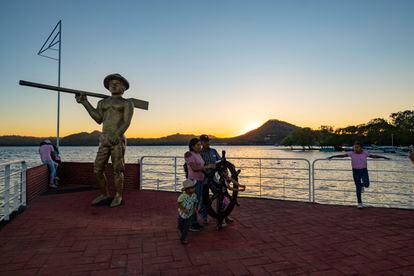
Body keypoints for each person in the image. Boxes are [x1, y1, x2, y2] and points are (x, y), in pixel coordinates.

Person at [76, 73, 134, 207]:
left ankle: (118, 195)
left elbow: (126, 122)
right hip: (104, 139)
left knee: (117, 169)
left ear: (124, 88)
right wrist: (85, 102)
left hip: (117, 140)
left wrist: (117, 134)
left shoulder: (127, 103)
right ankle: (105, 193)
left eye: (117, 83)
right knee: (97, 169)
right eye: (111, 83)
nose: (113, 84)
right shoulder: (102, 102)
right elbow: (98, 119)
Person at [328, 141, 390, 209]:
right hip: (355, 171)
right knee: (357, 188)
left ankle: (362, 185)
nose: (355, 149)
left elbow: (373, 156)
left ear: (361, 148)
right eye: (354, 147)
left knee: (366, 184)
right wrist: (333, 156)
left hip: (363, 170)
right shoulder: (351, 153)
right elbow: (342, 156)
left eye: (357, 147)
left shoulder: (365, 152)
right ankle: (359, 203)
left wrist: (383, 157)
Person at [184, 138, 216, 231]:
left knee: (199, 201)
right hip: (194, 181)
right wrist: (208, 166)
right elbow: (194, 168)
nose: (200, 146)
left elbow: (202, 166)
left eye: (200, 145)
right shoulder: (188, 154)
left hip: (201, 180)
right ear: (192, 146)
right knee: (193, 202)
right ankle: (192, 224)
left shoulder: (198, 154)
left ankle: (198, 220)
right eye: (198, 145)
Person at [199, 134, 221, 224]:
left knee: (220, 194)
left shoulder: (214, 151)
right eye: (205, 141)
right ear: (201, 143)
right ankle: (204, 218)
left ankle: (223, 215)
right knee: (204, 198)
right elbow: (199, 166)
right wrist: (208, 167)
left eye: (208, 141)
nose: (207, 143)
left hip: (213, 178)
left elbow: (220, 162)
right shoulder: (199, 153)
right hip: (204, 178)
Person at [177, 179, 198, 245]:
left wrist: (194, 208)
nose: (194, 189)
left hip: (189, 214)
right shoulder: (183, 196)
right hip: (182, 214)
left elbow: (195, 202)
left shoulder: (194, 195)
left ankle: (183, 238)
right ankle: (183, 232)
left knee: (186, 227)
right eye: (192, 188)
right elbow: (179, 203)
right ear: (187, 189)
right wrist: (183, 209)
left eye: (194, 187)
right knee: (180, 226)